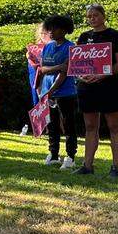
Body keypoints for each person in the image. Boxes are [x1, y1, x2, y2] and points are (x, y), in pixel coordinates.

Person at [75, 4, 118, 178]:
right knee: (90, 126)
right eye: (89, 16)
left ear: (104, 16)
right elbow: (77, 64)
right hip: (87, 88)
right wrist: (82, 76)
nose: (92, 19)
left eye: (95, 15)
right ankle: (87, 165)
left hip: (109, 87)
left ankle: (115, 167)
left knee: (114, 126)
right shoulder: (83, 37)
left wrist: (101, 75)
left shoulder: (115, 35)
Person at [36, 15, 79, 169]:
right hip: (48, 92)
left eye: (55, 28)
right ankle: (53, 153)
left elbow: (65, 72)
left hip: (65, 92)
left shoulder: (71, 47)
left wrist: (51, 90)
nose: (51, 31)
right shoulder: (48, 46)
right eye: (50, 28)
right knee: (51, 124)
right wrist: (56, 67)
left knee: (68, 125)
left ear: (64, 30)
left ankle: (70, 156)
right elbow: (42, 68)